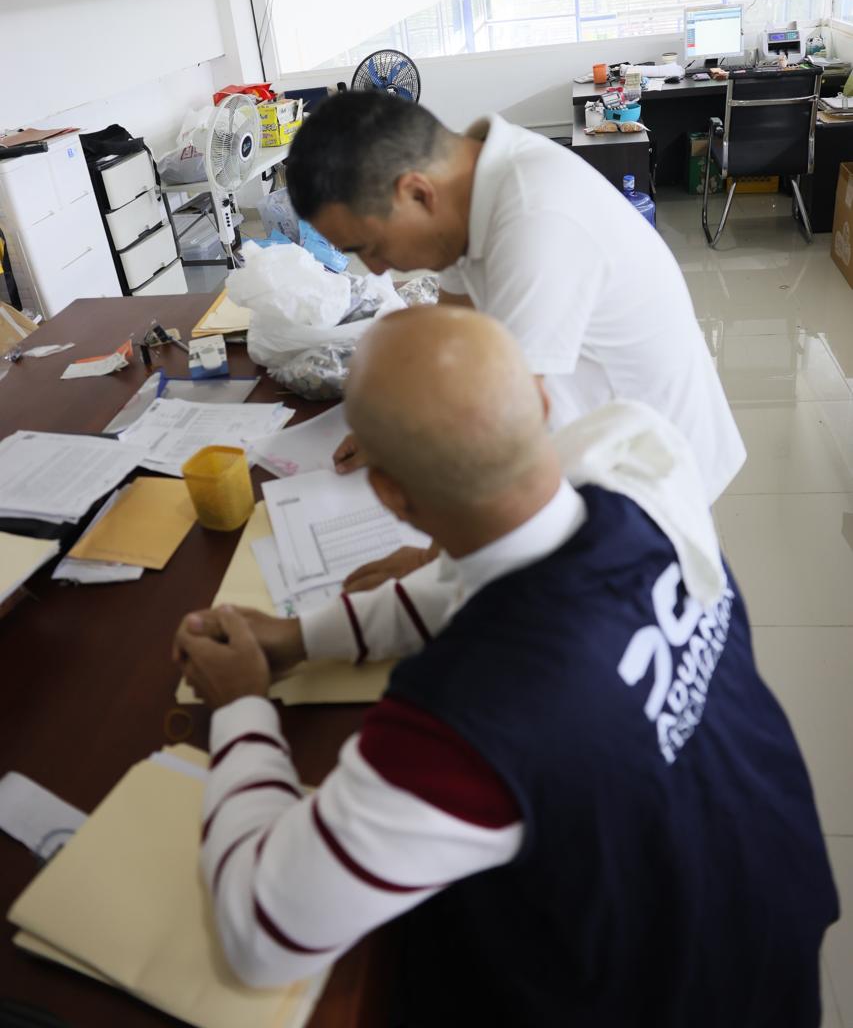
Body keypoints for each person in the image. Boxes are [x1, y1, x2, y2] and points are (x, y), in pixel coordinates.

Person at [174, 307, 836, 1028]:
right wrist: (303, 637)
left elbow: (262, 932)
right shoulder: (643, 475)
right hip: (766, 904)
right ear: (543, 402)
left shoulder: (469, 714)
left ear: (389, 493)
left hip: (663, 993)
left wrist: (242, 705)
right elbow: (470, 582)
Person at [283, 90, 745, 510]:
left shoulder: (536, 217)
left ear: (417, 194)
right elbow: (455, 342)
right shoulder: (464, 189)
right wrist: (392, 432)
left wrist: (435, 556)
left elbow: (504, 425)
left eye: (369, 247)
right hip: (590, 438)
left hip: (652, 479)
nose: (376, 269)